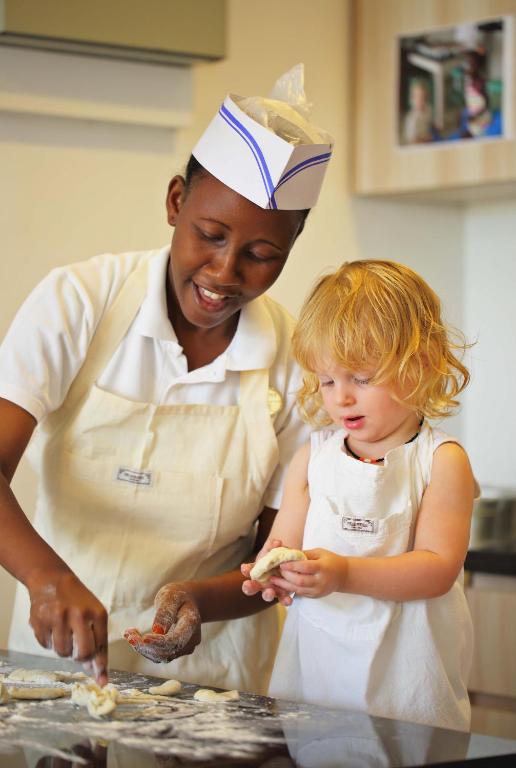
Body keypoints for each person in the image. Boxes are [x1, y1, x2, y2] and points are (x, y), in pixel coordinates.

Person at [0, 65, 333, 694]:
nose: (225, 272)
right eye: (210, 234)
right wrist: (47, 580)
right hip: (57, 675)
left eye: (263, 256)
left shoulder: (296, 360)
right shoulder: (80, 301)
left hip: (215, 688)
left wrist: (200, 600)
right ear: (176, 201)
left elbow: (276, 557)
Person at [242, 260, 477, 731]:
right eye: (327, 380)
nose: (341, 398)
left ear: (423, 363)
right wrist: (274, 573)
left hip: (408, 686)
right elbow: (284, 544)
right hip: (318, 681)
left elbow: (436, 569)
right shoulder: (314, 458)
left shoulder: (441, 461)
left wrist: (343, 572)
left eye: (362, 379)